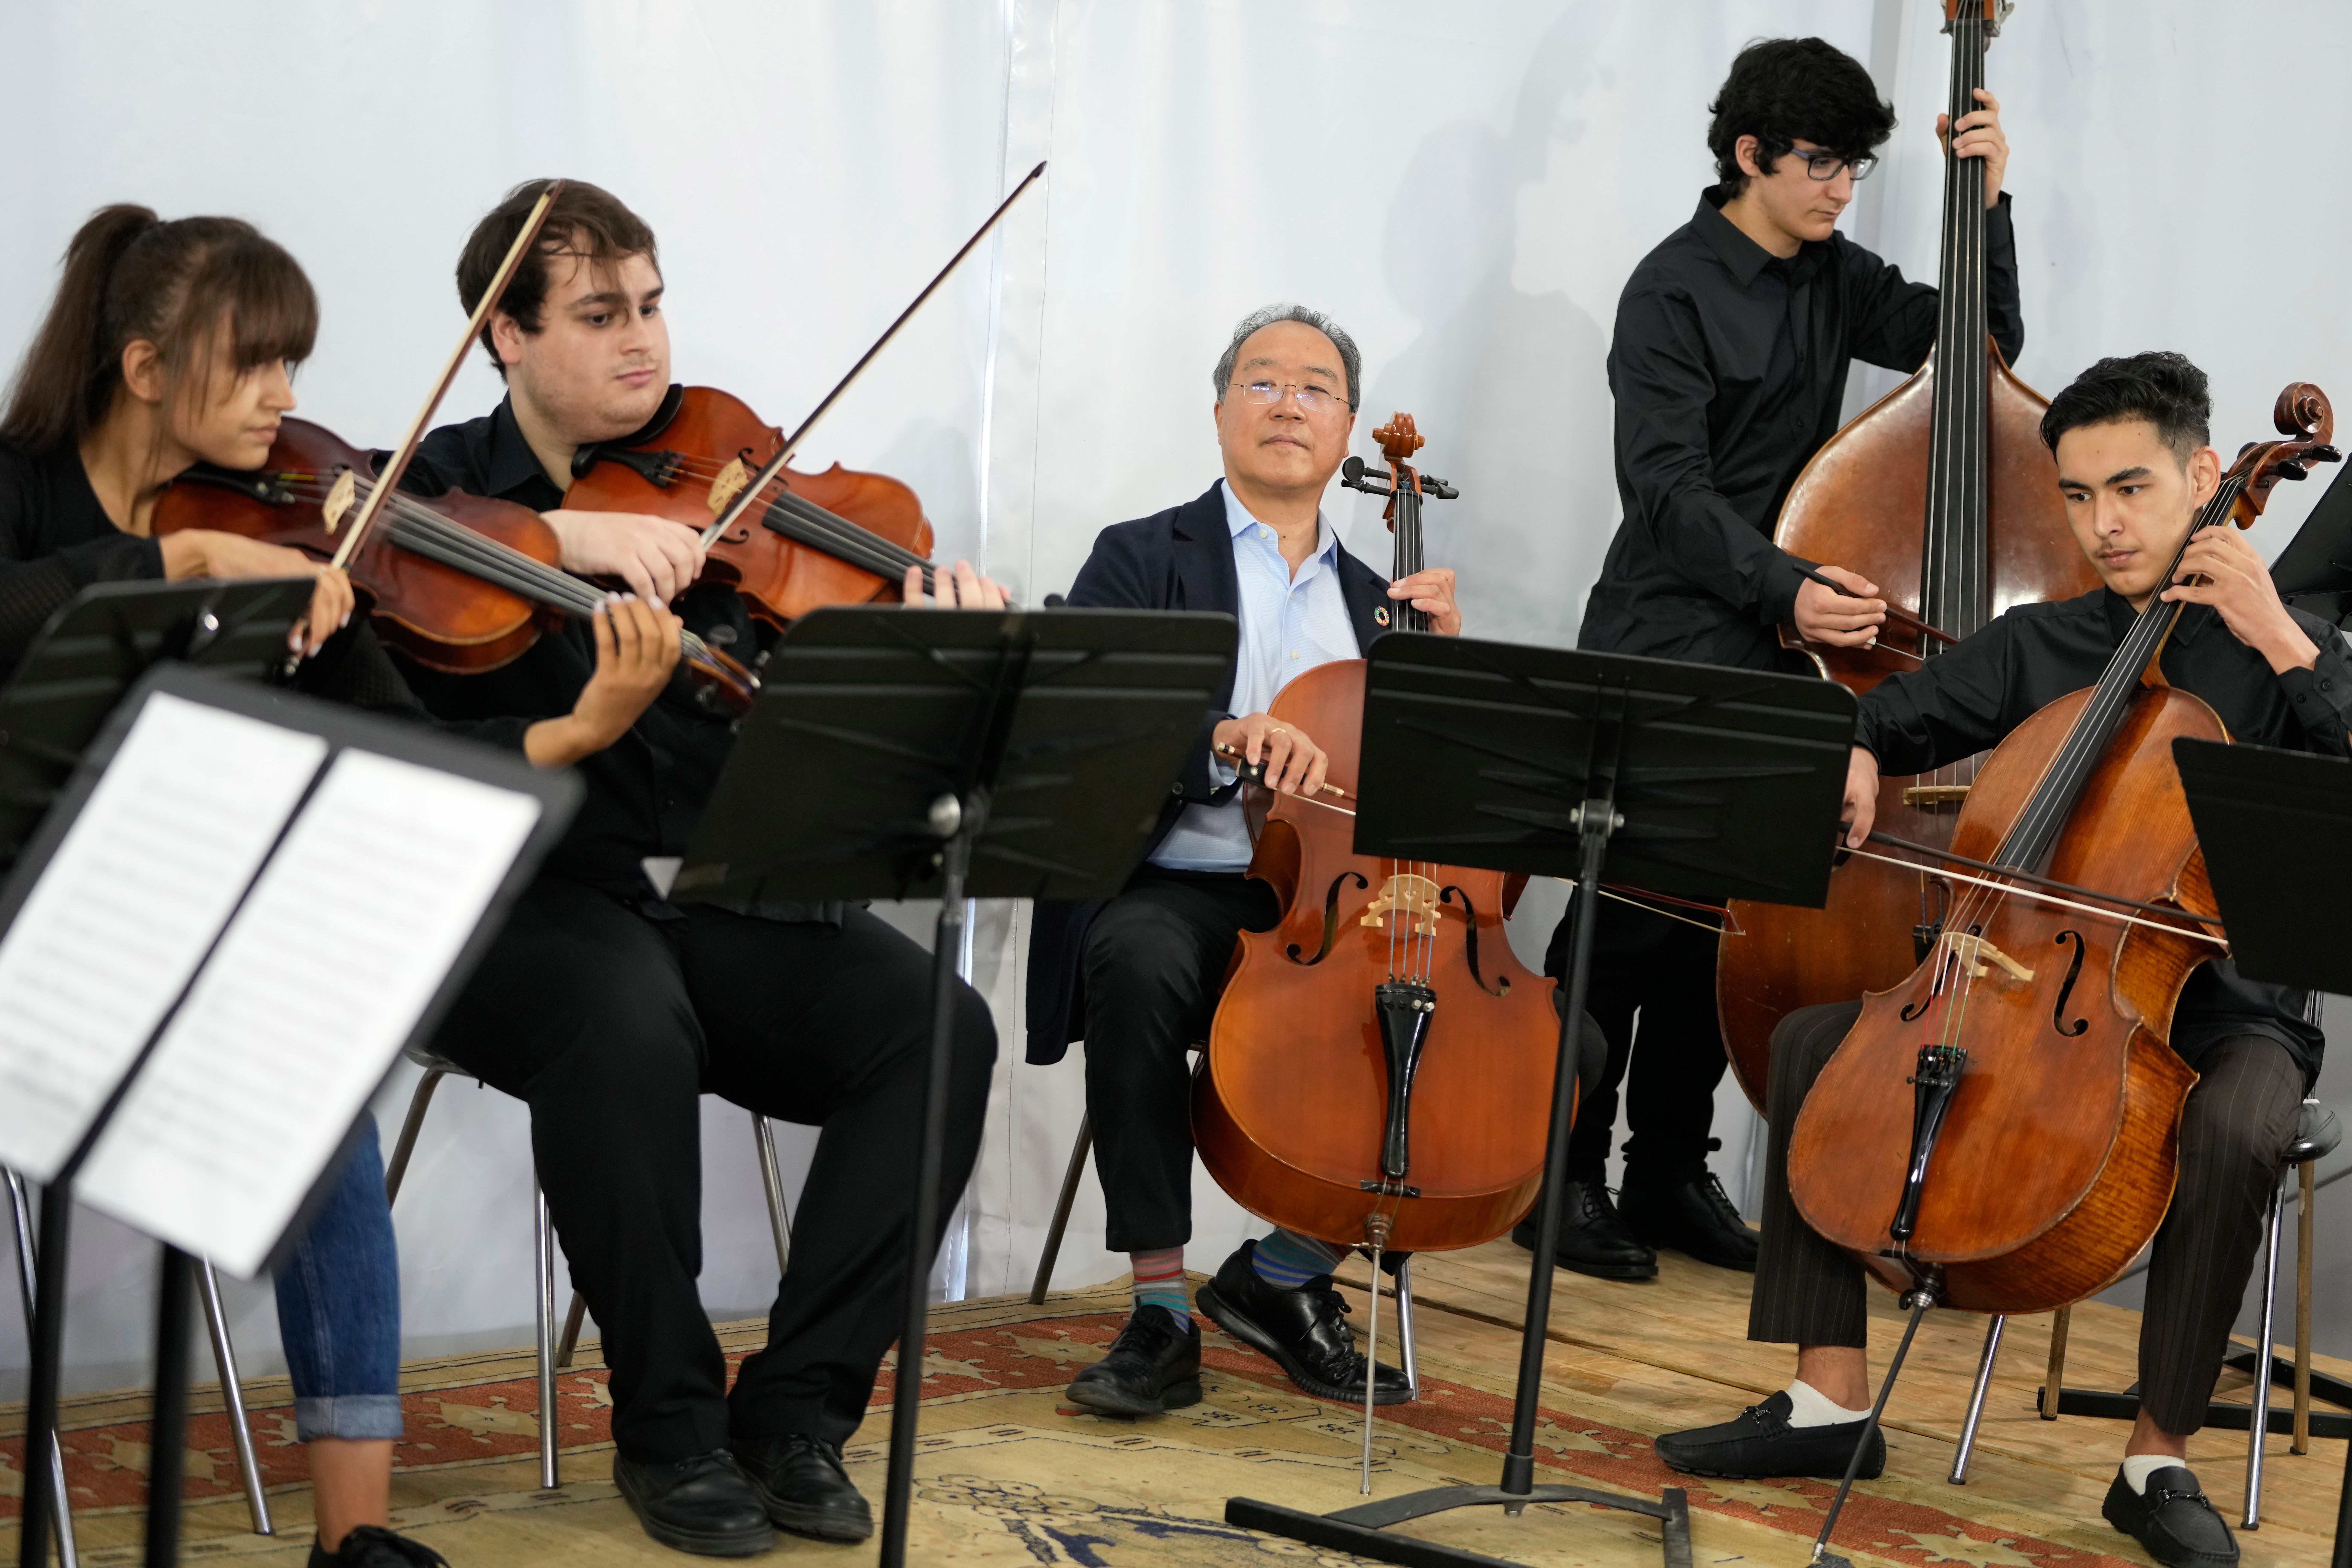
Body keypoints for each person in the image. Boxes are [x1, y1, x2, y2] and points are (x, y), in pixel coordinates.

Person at [1652, 353, 2347, 1568]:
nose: (2105, 524)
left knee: (2238, 1122)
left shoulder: (2286, 648)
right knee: (1817, 1039)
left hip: (2225, 1001)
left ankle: (2155, 1457)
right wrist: (1857, 754)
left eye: (2130, 489)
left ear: (2203, 477)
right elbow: (1881, 713)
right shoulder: (2048, 640)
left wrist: (2280, 634)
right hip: (2045, 981)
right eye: (2077, 498)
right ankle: (1829, 1403)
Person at [392, 178, 1003, 1558]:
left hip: (703, 896)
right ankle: (667, 1425)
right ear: (505, 335)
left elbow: (832, 741)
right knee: (622, 1021)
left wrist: (931, 653)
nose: (645, 344)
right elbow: (370, 605)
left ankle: (795, 1414)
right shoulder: (428, 496)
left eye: (654, 306)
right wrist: (566, 539)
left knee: (936, 1029)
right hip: (515, 909)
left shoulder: (732, 488)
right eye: (602, 314)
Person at [0, 207, 441, 1568]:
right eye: (255, 365)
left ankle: (353, 1541)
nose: (288, 401)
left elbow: (404, 744)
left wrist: (334, 621)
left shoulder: (287, 521)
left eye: (292, 363)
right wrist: (172, 567)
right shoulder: (20, 488)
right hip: (23, 928)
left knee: (322, 1070)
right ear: (143, 369)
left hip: (184, 933)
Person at [1027, 303, 1564, 1420]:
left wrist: (1451, 682)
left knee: (1557, 1039)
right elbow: (1084, 715)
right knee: (1132, 958)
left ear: (1350, 427)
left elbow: (1452, 815)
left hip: (1344, 915)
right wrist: (1222, 736)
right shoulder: (1138, 557)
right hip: (1180, 882)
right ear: (1221, 409)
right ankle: (1161, 1317)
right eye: (1262, 381)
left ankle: (1281, 1277)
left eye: (1315, 387)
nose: (1287, 403)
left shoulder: (1387, 606)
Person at [1539, 36, 2018, 1282]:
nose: (1840, 190)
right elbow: (1664, 491)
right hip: (1669, 634)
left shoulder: (1834, 275)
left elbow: (1980, 348)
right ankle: (1559, 1175)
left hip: (1784, 656)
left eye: (1856, 169)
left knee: (1731, 924)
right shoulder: (1672, 289)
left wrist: (1990, 197)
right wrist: (1790, 588)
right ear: (1749, 154)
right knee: (1631, 917)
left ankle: (1665, 1173)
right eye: (1820, 165)